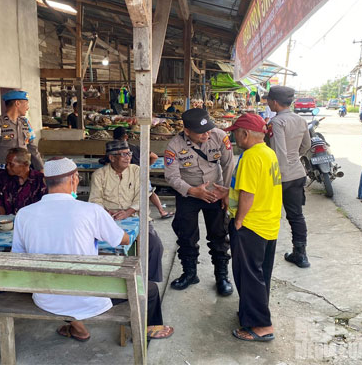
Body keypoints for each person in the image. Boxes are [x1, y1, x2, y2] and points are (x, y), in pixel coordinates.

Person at [13, 157, 173, 341]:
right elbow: (122, 240)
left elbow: (18, 256)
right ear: (74, 179)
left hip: (46, 299)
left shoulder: (24, 214)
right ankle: (150, 328)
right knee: (150, 289)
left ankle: (77, 327)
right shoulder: (91, 211)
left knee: (63, 282)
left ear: (45, 181)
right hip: (90, 299)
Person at [222, 113, 282, 342]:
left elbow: (248, 193)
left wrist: (238, 221)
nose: (234, 137)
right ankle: (253, 314)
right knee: (260, 274)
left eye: (236, 133)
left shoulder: (250, 156)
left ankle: (261, 326)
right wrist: (226, 192)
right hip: (268, 222)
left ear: (245, 133)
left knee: (249, 276)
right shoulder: (268, 153)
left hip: (251, 225)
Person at [164, 108, 235, 296]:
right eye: (201, 132)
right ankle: (189, 273)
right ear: (187, 131)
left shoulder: (219, 136)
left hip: (215, 193)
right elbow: (171, 177)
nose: (206, 134)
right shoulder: (174, 146)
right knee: (186, 235)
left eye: (208, 129)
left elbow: (228, 164)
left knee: (219, 234)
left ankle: (222, 276)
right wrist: (192, 191)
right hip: (188, 194)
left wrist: (226, 192)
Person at [90, 140, 165, 283]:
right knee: (103, 248)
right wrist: (105, 212)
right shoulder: (99, 175)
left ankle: (149, 283)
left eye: (129, 153)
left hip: (136, 216)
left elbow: (143, 195)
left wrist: (128, 212)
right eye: (123, 154)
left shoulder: (137, 171)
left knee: (155, 246)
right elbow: (95, 200)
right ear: (112, 158)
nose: (128, 157)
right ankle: (114, 281)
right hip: (108, 218)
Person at [267, 86, 312, 268]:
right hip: (297, 173)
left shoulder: (277, 122)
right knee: (296, 215)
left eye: (268, 100)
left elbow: (279, 152)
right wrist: (294, 158)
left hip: (279, 176)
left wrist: (278, 176)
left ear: (274, 102)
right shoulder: (301, 120)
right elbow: (306, 145)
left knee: (268, 214)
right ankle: (300, 254)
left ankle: (264, 253)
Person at [0, 90, 43, 191]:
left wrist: (41, 168)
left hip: (24, 172)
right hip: (4, 172)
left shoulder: (25, 123)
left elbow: (32, 148)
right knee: (4, 199)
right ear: (17, 103)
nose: (27, 107)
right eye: (26, 103)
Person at [112, 126, 174, 219]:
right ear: (126, 136)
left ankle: (123, 213)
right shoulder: (134, 148)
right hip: (139, 174)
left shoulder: (113, 150)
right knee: (149, 192)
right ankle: (162, 211)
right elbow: (154, 156)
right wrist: (145, 167)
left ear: (113, 137)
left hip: (122, 176)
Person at [0, 148, 47, 215]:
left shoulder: (39, 179)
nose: (7, 167)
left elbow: (44, 205)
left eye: (11, 164)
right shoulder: (3, 177)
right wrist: (4, 220)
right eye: (7, 163)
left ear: (25, 164)